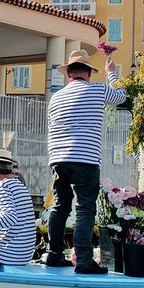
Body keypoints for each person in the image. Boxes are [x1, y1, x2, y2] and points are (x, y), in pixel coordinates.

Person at [45, 48, 127, 275]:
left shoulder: (56, 98)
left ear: (68, 74)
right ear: (89, 73)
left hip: (58, 158)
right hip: (85, 157)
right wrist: (112, 73)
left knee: (60, 206)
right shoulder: (97, 90)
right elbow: (121, 96)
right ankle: (83, 260)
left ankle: (54, 255)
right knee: (85, 208)